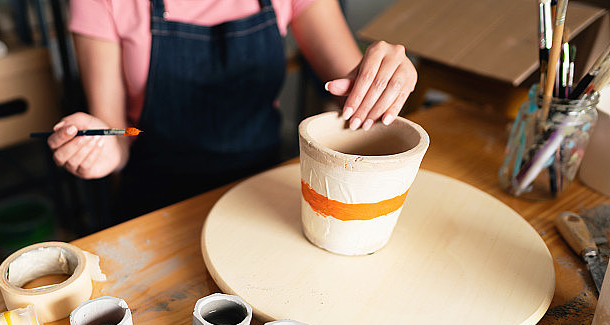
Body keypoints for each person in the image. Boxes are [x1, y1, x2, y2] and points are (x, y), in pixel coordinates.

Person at [49, 0, 417, 218]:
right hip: (156, 201)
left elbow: (352, 95)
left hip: (264, 195)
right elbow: (118, 136)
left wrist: (383, 77)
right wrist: (99, 147)